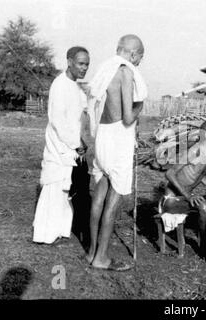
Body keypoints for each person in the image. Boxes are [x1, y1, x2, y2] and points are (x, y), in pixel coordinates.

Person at [86, 34, 147, 271]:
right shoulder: (125, 71)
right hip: (118, 140)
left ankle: (92, 251)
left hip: (102, 136)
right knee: (115, 198)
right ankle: (102, 257)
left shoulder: (105, 69)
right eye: (141, 57)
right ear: (133, 54)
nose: (140, 62)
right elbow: (129, 117)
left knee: (99, 195)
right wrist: (141, 104)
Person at [33, 46, 90, 244]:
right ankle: (44, 234)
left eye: (87, 65)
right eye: (81, 63)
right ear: (69, 61)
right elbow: (58, 120)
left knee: (65, 189)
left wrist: (81, 140)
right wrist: (75, 143)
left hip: (71, 145)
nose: (84, 68)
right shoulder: (60, 84)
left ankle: (59, 230)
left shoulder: (74, 86)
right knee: (54, 187)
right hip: (59, 145)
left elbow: (77, 118)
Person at [161, 121, 206, 252]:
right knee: (204, 206)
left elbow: (197, 174)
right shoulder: (196, 150)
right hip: (171, 200)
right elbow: (170, 173)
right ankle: (204, 246)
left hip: (184, 197)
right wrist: (189, 196)